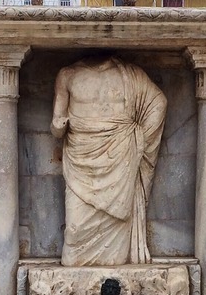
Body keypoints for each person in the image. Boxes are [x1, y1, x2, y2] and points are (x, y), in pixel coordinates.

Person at [52, 57, 167, 267]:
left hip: (119, 159)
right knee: (74, 230)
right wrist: (58, 126)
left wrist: (138, 141)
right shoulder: (67, 74)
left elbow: (158, 103)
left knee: (117, 236)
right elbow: (56, 125)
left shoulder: (131, 75)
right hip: (81, 159)